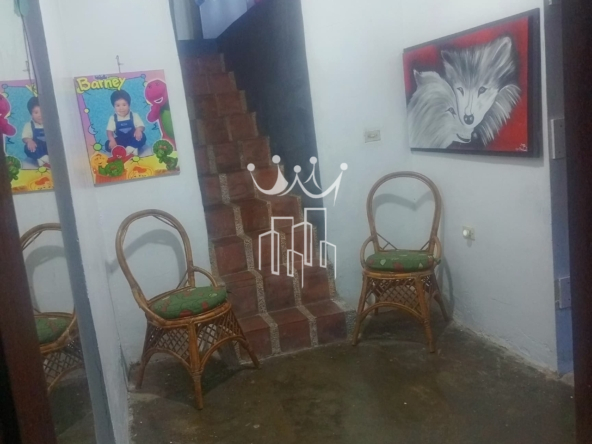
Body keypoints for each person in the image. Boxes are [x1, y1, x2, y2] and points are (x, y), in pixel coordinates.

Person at [105, 90, 146, 156]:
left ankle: (128, 150)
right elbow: (109, 131)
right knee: (107, 144)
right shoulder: (113, 118)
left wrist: (138, 130)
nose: (121, 108)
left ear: (129, 105)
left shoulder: (134, 115)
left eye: (124, 105)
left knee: (142, 136)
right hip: (121, 141)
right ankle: (133, 149)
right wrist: (112, 140)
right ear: (114, 106)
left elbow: (141, 126)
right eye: (118, 105)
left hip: (133, 138)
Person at [22, 97, 50, 167]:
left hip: (49, 147)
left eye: (42, 111)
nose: (40, 115)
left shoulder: (49, 124)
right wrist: (29, 141)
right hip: (37, 148)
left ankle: (45, 160)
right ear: (31, 114)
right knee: (28, 147)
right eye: (36, 112)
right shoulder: (29, 125)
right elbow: (25, 137)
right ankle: (44, 161)